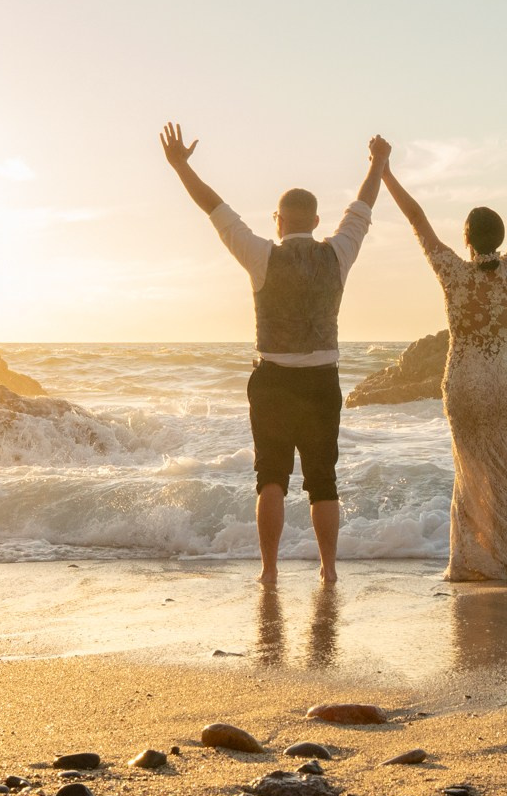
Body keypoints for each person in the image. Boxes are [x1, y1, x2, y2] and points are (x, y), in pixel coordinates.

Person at [161, 122, 385, 585]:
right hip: (323, 381)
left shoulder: (261, 255)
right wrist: (378, 163)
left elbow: (216, 209)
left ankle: (268, 571)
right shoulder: (338, 253)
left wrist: (182, 166)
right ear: (316, 221)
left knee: (271, 478)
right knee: (324, 481)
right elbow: (362, 209)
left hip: (274, 382)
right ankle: (328, 570)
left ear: (279, 221)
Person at [375, 132, 507, 582]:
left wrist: (385, 172)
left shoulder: (452, 272)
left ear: (465, 239)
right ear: (500, 239)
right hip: (506, 379)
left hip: (465, 380)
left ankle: (472, 561)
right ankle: (505, 556)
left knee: (470, 473)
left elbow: (417, 218)